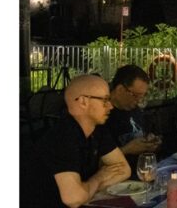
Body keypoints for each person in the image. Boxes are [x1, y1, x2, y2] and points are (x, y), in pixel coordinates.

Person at [26, 75, 131, 208]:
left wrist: (85, 189)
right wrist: (98, 178)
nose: (110, 106)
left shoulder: (98, 129)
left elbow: (123, 169)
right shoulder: (62, 136)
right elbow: (73, 199)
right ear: (83, 102)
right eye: (105, 100)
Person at [105, 65, 161, 172]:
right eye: (136, 95)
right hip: (118, 179)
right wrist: (127, 150)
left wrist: (150, 142)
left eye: (143, 96)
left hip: (141, 171)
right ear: (120, 89)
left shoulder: (135, 110)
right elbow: (96, 163)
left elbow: (141, 134)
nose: (139, 101)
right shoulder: (103, 116)